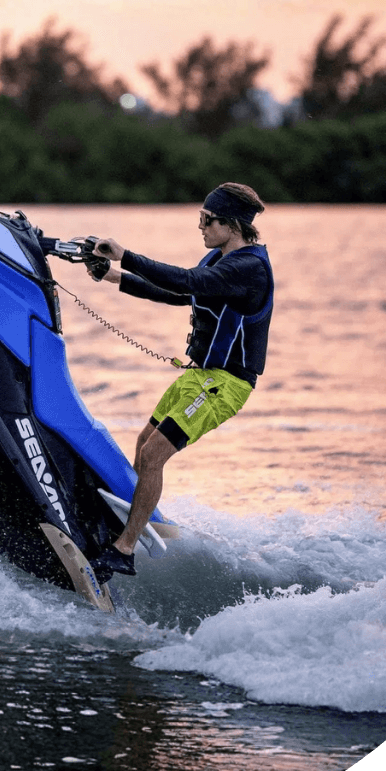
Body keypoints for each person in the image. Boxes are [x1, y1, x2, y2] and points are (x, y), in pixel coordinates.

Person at [85, 183, 274, 581]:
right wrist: (114, 276)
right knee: (143, 444)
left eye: (207, 220)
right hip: (200, 377)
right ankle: (129, 522)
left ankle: (124, 550)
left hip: (226, 384)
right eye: (200, 218)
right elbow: (179, 294)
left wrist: (126, 255)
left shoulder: (248, 268)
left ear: (232, 225)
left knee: (155, 454)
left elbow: (187, 281)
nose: (200, 226)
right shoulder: (220, 258)